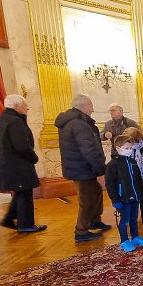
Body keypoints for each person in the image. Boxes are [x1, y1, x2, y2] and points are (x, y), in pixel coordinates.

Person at [55, 94, 110, 242]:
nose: (92, 109)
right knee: (86, 200)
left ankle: (94, 220)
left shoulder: (75, 121)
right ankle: (81, 231)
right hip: (83, 168)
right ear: (83, 107)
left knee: (96, 194)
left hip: (81, 167)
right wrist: (100, 169)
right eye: (90, 106)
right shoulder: (79, 124)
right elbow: (89, 149)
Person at [0, 94, 46, 233]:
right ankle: (26, 225)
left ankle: (9, 218)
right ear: (16, 106)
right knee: (25, 195)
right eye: (25, 106)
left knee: (21, 192)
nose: (27, 109)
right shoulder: (15, 121)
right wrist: (33, 158)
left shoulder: (0, 120)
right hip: (18, 166)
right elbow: (22, 146)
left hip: (6, 165)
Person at [104, 135, 143, 252]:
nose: (129, 151)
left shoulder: (133, 162)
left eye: (130, 148)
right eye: (127, 148)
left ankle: (135, 237)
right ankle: (124, 240)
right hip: (122, 198)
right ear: (118, 148)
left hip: (135, 196)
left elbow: (139, 178)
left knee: (134, 218)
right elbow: (110, 184)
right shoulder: (112, 165)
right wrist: (115, 200)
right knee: (125, 219)